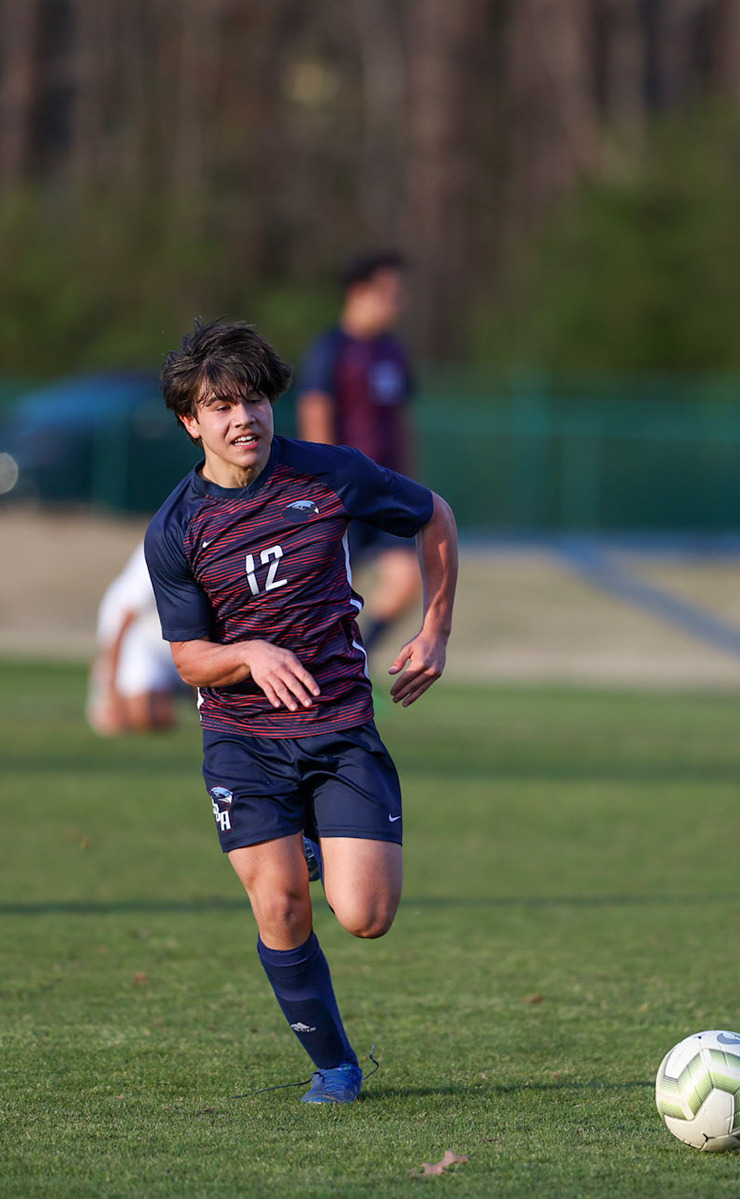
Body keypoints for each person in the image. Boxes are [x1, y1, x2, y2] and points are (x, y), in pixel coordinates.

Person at [144, 319, 457, 1104]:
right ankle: (335, 1067)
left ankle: (313, 844)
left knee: (367, 915)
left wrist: (436, 630)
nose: (242, 419)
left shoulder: (331, 476)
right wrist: (248, 653)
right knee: (281, 903)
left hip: (339, 726)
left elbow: (436, 519)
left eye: (252, 401)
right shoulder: (176, 529)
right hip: (242, 738)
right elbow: (189, 658)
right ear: (192, 422)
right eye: (220, 407)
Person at [297, 250, 420, 645]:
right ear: (358, 292)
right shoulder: (331, 349)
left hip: (385, 491)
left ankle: (357, 660)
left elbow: (401, 421)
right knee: (324, 600)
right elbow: (315, 416)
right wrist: (327, 489)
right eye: (389, 292)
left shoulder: (394, 352)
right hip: (342, 495)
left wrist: (411, 483)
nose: (398, 302)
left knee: (406, 582)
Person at [87, 541, 183, 735]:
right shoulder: (160, 550)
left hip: (171, 636)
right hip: (140, 637)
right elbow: (122, 624)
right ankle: (107, 677)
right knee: (143, 719)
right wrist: (112, 690)